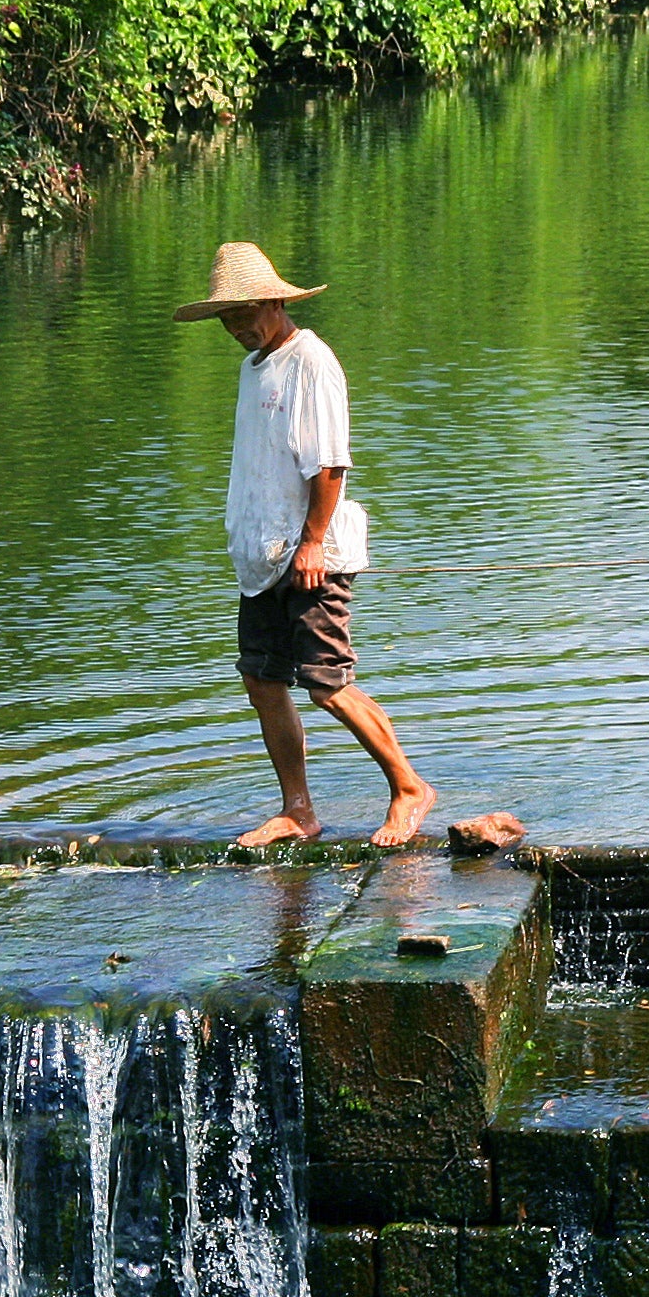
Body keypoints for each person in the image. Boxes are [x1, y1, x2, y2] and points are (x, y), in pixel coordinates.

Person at [174, 241, 434, 849]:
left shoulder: (310, 360)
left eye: (243, 313)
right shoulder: (255, 365)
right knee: (263, 681)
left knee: (326, 682)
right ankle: (299, 812)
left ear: (273, 301)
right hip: (263, 558)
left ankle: (409, 788)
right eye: (226, 318)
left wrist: (313, 542)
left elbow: (329, 467)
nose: (235, 327)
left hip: (310, 553)